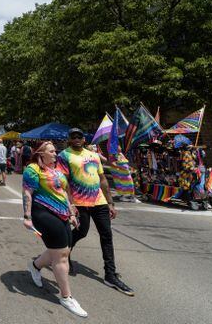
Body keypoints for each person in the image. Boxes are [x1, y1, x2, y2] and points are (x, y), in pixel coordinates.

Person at [57, 128, 134, 296]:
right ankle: (65, 251)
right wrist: (70, 205)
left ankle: (110, 274)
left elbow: (103, 179)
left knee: (106, 235)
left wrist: (110, 202)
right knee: (81, 231)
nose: (77, 139)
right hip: (79, 202)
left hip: (99, 201)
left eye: (80, 136)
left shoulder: (93, 155)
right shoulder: (64, 155)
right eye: (73, 136)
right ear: (69, 139)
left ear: (84, 139)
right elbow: (65, 182)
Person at [23, 141, 86, 318]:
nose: (55, 154)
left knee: (61, 250)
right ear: (41, 154)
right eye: (51, 151)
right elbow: (27, 193)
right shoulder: (33, 170)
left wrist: (71, 211)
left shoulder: (57, 170)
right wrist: (27, 217)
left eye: (55, 151)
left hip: (63, 213)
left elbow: (63, 191)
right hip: (42, 213)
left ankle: (35, 266)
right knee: (61, 254)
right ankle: (66, 297)